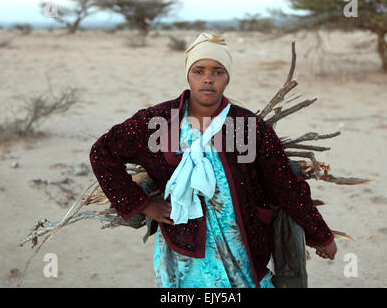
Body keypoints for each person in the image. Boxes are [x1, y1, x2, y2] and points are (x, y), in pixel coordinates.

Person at [89, 32, 337, 288]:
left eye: (218, 71)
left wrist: (321, 235)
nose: (208, 78)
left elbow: (286, 185)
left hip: (242, 244)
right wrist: (144, 205)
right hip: (182, 248)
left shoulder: (249, 126)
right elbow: (102, 153)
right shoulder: (158, 121)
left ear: (228, 77)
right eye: (199, 70)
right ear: (188, 74)